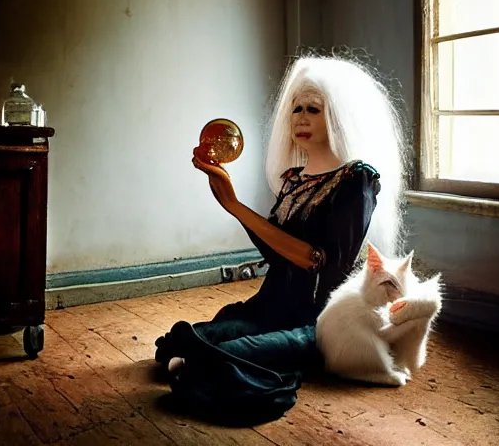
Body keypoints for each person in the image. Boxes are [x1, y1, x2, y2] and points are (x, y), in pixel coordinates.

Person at [154, 53, 407, 425]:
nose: (301, 118)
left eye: (314, 109)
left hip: (318, 318)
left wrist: (236, 205)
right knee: (180, 343)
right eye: (296, 108)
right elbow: (275, 254)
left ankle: (218, 369)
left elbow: (318, 261)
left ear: (336, 115)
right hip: (271, 306)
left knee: (221, 356)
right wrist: (229, 200)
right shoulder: (294, 179)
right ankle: (206, 365)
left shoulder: (358, 181)